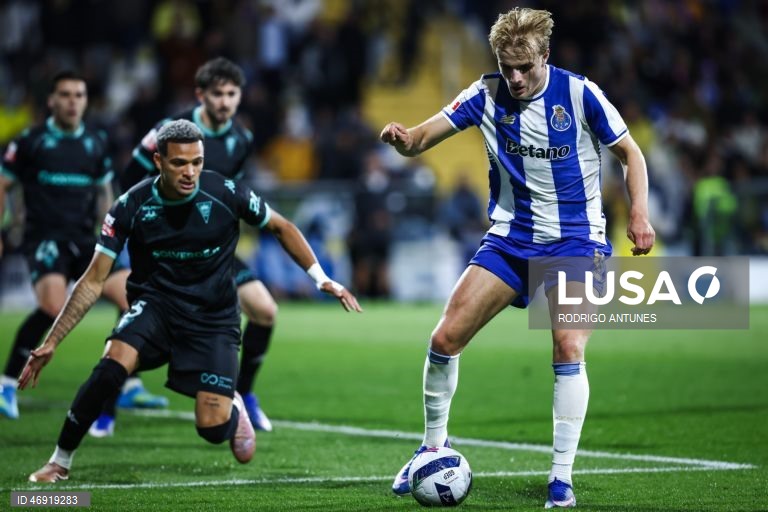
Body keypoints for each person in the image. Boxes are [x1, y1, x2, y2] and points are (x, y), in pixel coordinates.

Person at [380, 7, 654, 509]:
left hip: (578, 242)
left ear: (545, 56)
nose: (516, 77)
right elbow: (419, 139)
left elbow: (631, 154)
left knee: (568, 347)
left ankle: (561, 479)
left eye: (525, 67)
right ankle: (430, 449)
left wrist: (638, 213)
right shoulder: (484, 94)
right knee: (444, 337)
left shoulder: (580, 93)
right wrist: (402, 141)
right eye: (507, 66)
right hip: (511, 239)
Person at [21, 120, 361, 483]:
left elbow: (282, 226)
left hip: (213, 318)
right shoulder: (131, 205)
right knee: (110, 367)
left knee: (212, 429)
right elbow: (93, 279)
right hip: (156, 308)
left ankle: (231, 403)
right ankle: (60, 462)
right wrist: (52, 342)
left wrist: (322, 279)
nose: (190, 172)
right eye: (179, 163)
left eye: (196, 162)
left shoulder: (226, 192)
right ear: (158, 162)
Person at [98, 57, 277, 436]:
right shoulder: (171, 130)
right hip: (164, 240)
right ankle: (107, 405)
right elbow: (129, 178)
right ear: (201, 95)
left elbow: (236, 194)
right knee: (137, 306)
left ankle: (241, 394)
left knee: (265, 310)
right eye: (218, 94)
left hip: (213, 248)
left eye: (232, 94)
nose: (226, 102)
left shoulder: (242, 139)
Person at [0, 71, 145, 420]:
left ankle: (125, 383)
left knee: (132, 301)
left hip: (85, 240)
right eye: (65, 94)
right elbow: (3, 184)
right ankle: (6, 382)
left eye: (79, 95)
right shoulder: (31, 141)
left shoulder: (95, 143)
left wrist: (112, 232)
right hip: (45, 237)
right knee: (52, 307)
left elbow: (105, 195)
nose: (72, 101)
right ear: (51, 101)